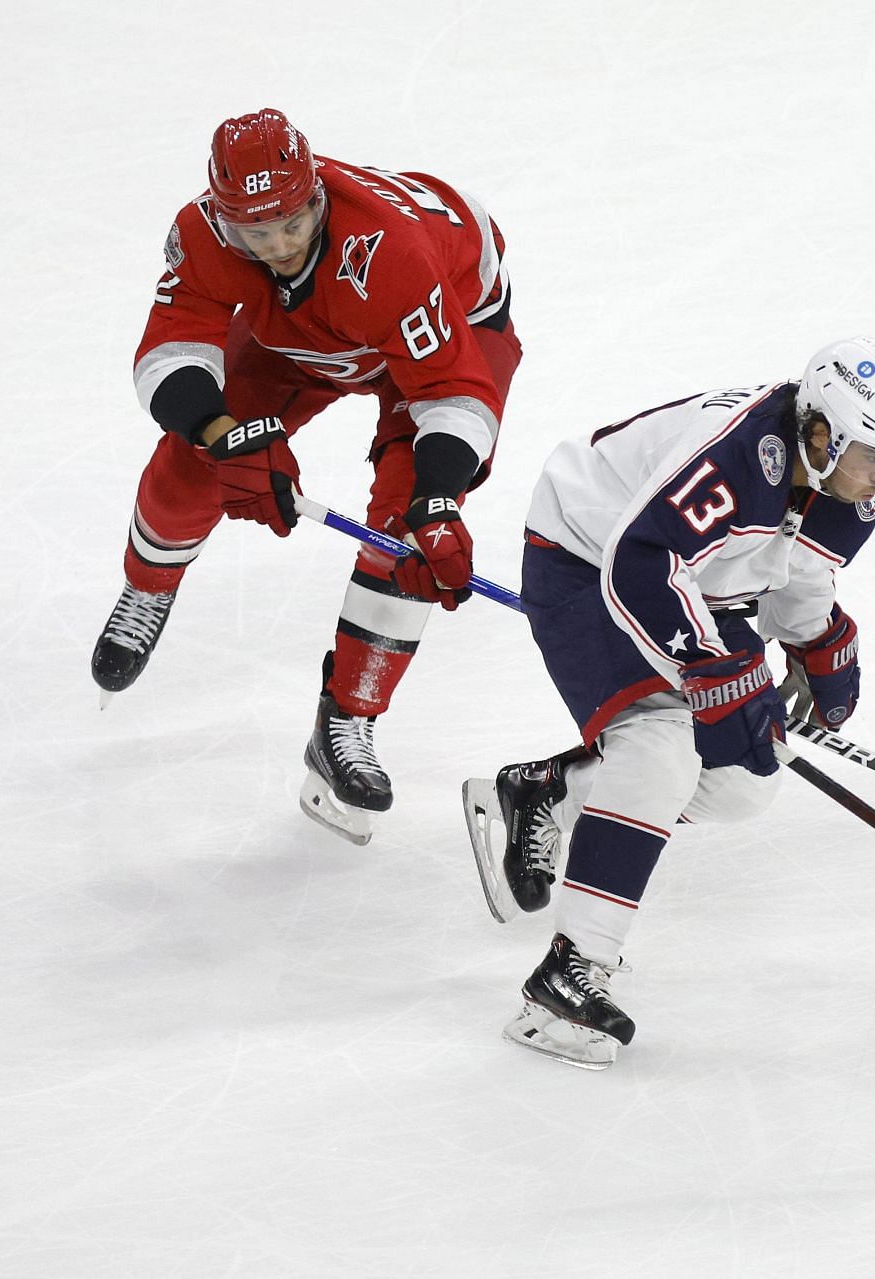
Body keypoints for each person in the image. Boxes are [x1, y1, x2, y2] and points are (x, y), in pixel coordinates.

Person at [460, 336, 875, 1068]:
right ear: (820, 434)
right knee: (661, 746)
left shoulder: (850, 495)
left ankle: (550, 793)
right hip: (587, 555)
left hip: (691, 579)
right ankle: (568, 969)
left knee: (745, 780)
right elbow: (639, 559)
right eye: (871, 453)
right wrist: (713, 663)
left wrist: (818, 642)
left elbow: (795, 572)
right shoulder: (739, 458)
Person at [93, 108, 522, 845]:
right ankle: (148, 586)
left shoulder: (390, 251)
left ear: (317, 193)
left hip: (442, 327)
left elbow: (454, 390)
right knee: (194, 462)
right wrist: (225, 437)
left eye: (291, 224)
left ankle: (346, 719)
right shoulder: (200, 234)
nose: (280, 246)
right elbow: (167, 351)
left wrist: (440, 498)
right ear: (224, 221)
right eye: (255, 235)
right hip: (305, 333)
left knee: (406, 533)